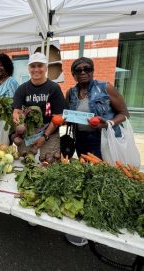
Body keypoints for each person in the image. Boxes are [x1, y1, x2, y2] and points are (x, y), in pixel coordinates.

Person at [65, 57, 129, 246]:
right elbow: (70, 116)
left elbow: (124, 114)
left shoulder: (106, 87)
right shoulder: (71, 92)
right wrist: (66, 118)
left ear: (92, 70)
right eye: (78, 70)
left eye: (87, 69)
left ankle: (104, 222)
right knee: (87, 177)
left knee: (104, 178)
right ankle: (90, 220)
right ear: (73, 74)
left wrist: (107, 122)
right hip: (81, 140)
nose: (83, 72)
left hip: (102, 140)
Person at [13, 52, 66, 160]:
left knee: (47, 162)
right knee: (27, 161)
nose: (36, 69)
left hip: (50, 132)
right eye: (33, 66)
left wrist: (45, 136)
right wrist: (19, 122)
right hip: (29, 132)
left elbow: (58, 116)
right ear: (28, 68)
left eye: (40, 66)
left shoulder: (54, 88)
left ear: (46, 68)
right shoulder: (22, 89)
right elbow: (16, 111)